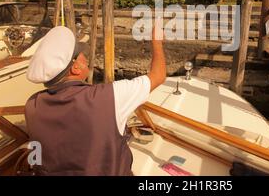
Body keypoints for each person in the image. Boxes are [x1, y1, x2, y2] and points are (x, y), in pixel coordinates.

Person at [25, 25, 166, 176]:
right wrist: (156, 42)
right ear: (76, 68)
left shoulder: (32, 104)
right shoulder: (110, 96)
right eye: (80, 54)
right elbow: (158, 75)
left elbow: (38, 154)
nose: (86, 57)